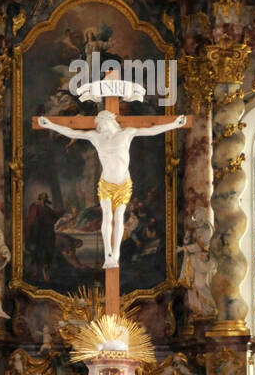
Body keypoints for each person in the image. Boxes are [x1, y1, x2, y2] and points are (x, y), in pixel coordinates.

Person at [37, 110, 186, 268]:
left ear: (110, 120)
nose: (100, 127)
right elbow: (72, 132)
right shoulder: (97, 137)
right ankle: (108, 254)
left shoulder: (127, 133)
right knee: (107, 216)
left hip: (123, 185)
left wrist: (174, 124)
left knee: (119, 216)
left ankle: (116, 253)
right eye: (99, 125)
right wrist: (51, 125)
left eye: (102, 124)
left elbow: (151, 130)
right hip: (106, 185)